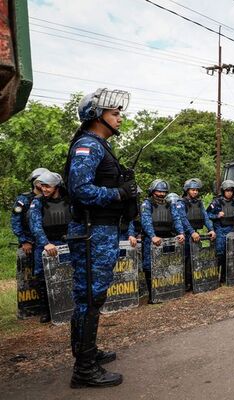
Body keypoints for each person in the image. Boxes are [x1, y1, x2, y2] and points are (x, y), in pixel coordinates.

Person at [64, 88, 137, 388]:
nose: (120, 118)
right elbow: (79, 190)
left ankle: (87, 353)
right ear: (96, 115)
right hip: (92, 233)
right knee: (90, 298)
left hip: (101, 232)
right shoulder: (88, 146)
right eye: (115, 113)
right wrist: (118, 193)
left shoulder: (100, 146)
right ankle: (84, 369)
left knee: (92, 296)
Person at [28, 171, 71, 323]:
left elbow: (75, 222)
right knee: (42, 277)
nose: (44, 189)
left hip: (66, 243)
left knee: (67, 275)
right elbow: (35, 225)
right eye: (42, 186)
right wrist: (45, 243)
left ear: (56, 186)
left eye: (47, 186)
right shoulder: (37, 202)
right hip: (46, 244)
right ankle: (47, 310)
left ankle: (66, 306)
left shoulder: (69, 200)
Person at [140, 180, 185, 302]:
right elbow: (146, 221)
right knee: (149, 266)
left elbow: (176, 219)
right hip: (152, 240)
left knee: (167, 264)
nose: (161, 194)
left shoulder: (170, 204)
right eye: (158, 191)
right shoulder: (146, 204)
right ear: (152, 191)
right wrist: (152, 236)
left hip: (168, 238)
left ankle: (167, 291)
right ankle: (152, 296)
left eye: (163, 192)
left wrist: (181, 233)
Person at [206, 180, 234, 283]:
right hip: (220, 230)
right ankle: (214, 277)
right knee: (219, 254)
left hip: (231, 230)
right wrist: (217, 215)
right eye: (227, 190)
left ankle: (224, 278)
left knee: (228, 255)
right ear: (223, 191)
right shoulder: (216, 202)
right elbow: (206, 216)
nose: (229, 192)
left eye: (231, 190)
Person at [179, 179, 215, 290]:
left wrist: (211, 229)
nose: (195, 192)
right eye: (193, 190)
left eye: (196, 190)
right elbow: (183, 219)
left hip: (196, 233)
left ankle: (193, 282)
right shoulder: (182, 202)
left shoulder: (199, 203)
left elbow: (205, 217)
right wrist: (191, 232)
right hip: (185, 234)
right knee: (185, 259)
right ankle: (185, 284)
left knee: (193, 258)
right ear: (187, 190)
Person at [11, 168, 50, 257]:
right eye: (41, 181)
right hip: (29, 242)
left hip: (48, 241)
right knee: (26, 269)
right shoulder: (23, 199)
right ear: (34, 182)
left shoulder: (50, 198)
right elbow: (15, 221)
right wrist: (24, 241)